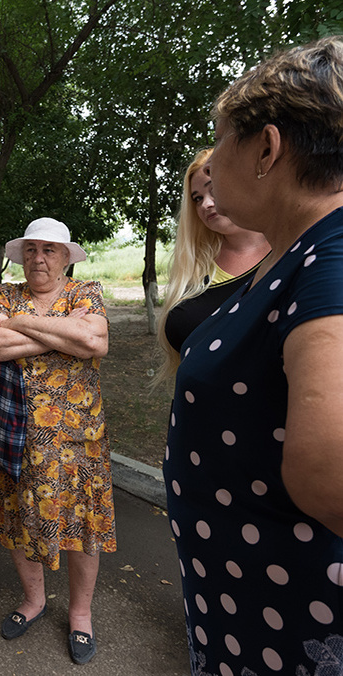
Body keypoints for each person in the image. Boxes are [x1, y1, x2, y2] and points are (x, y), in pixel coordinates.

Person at [164, 36, 343, 676]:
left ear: (266, 148)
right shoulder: (298, 255)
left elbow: (330, 477)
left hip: (294, 629)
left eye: (220, 141)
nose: (210, 164)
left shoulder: (332, 259)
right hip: (245, 611)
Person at [0, 217, 113, 665]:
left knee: (81, 528)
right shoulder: (8, 294)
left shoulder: (84, 292)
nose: (39, 258)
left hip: (77, 443)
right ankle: (33, 601)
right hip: (15, 439)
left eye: (50, 250)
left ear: (66, 257)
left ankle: (81, 614)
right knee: (18, 524)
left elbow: (95, 341)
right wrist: (60, 336)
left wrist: (20, 324)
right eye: (32, 249)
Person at [156, 148, 270, 381]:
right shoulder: (195, 265)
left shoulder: (289, 252)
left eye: (213, 189)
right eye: (197, 198)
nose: (206, 204)